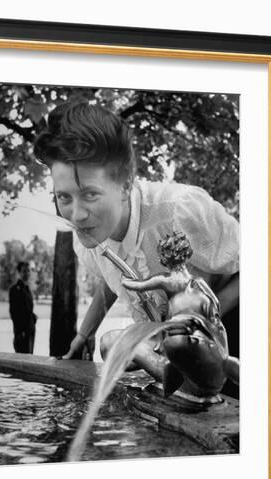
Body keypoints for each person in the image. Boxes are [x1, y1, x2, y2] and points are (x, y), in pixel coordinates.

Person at [34, 101, 239, 376]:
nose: (76, 214)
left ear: (125, 184)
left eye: (90, 194)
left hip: (234, 335)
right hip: (174, 348)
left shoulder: (180, 211)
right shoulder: (90, 233)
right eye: (64, 197)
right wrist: (85, 333)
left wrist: (197, 324)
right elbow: (112, 276)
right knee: (113, 348)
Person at [9, 261, 37, 354]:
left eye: (29, 271)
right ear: (19, 273)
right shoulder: (14, 290)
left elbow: (28, 309)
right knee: (23, 359)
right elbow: (14, 313)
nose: (27, 273)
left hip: (30, 330)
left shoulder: (27, 289)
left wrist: (34, 317)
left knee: (30, 357)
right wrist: (20, 332)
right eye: (24, 271)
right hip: (22, 333)